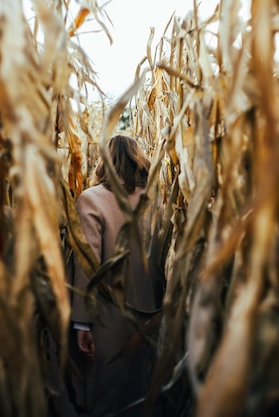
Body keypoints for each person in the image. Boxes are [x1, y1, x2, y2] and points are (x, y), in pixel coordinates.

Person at [70, 135, 166, 417]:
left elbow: (88, 265)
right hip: (153, 318)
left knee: (111, 403)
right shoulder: (157, 200)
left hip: (109, 321)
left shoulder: (91, 200)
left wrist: (82, 324)